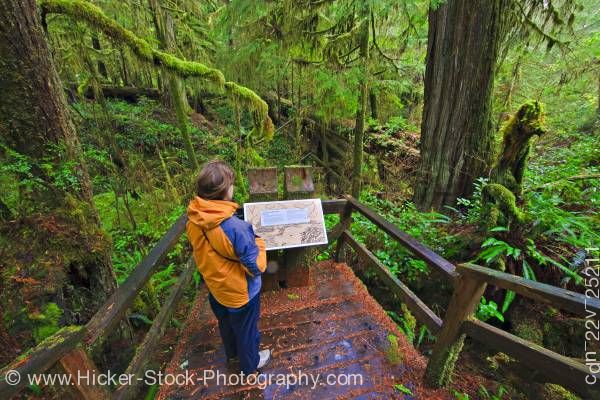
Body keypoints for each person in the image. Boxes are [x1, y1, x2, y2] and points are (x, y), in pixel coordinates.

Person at [186, 160, 271, 374]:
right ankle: (250, 365)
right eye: (231, 184)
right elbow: (257, 267)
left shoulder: (194, 218)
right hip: (240, 292)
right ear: (224, 192)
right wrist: (259, 242)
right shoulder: (236, 228)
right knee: (247, 330)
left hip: (216, 288)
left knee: (226, 324)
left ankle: (233, 354)